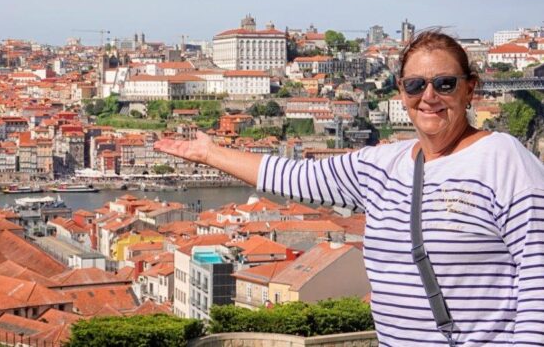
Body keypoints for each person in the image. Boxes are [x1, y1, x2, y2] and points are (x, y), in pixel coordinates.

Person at [155, 30, 544, 346]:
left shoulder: (503, 160)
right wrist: (208, 153)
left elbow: (538, 286)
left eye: (444, 83)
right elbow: (293, 176)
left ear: (469, 88)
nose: (429, 96)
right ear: (400, 91)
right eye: (415, 85)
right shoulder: (381, 165)